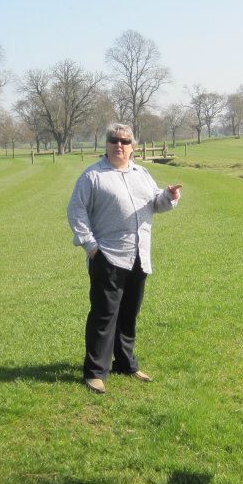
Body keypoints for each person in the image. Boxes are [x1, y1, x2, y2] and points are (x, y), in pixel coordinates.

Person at [67, 123, 182, 394]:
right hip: (108, 256)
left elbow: (156, 203)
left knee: (129, 314)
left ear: (133, 146)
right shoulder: (92, 176)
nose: (119, 145)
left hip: (139, 255)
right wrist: (91, 246)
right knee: (104, 316)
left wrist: (169, 196)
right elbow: (76, 211)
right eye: (114, 140)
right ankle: (95, 371)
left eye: (125, 141)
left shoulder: (142, 174)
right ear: (106, 144)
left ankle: (125, 364)